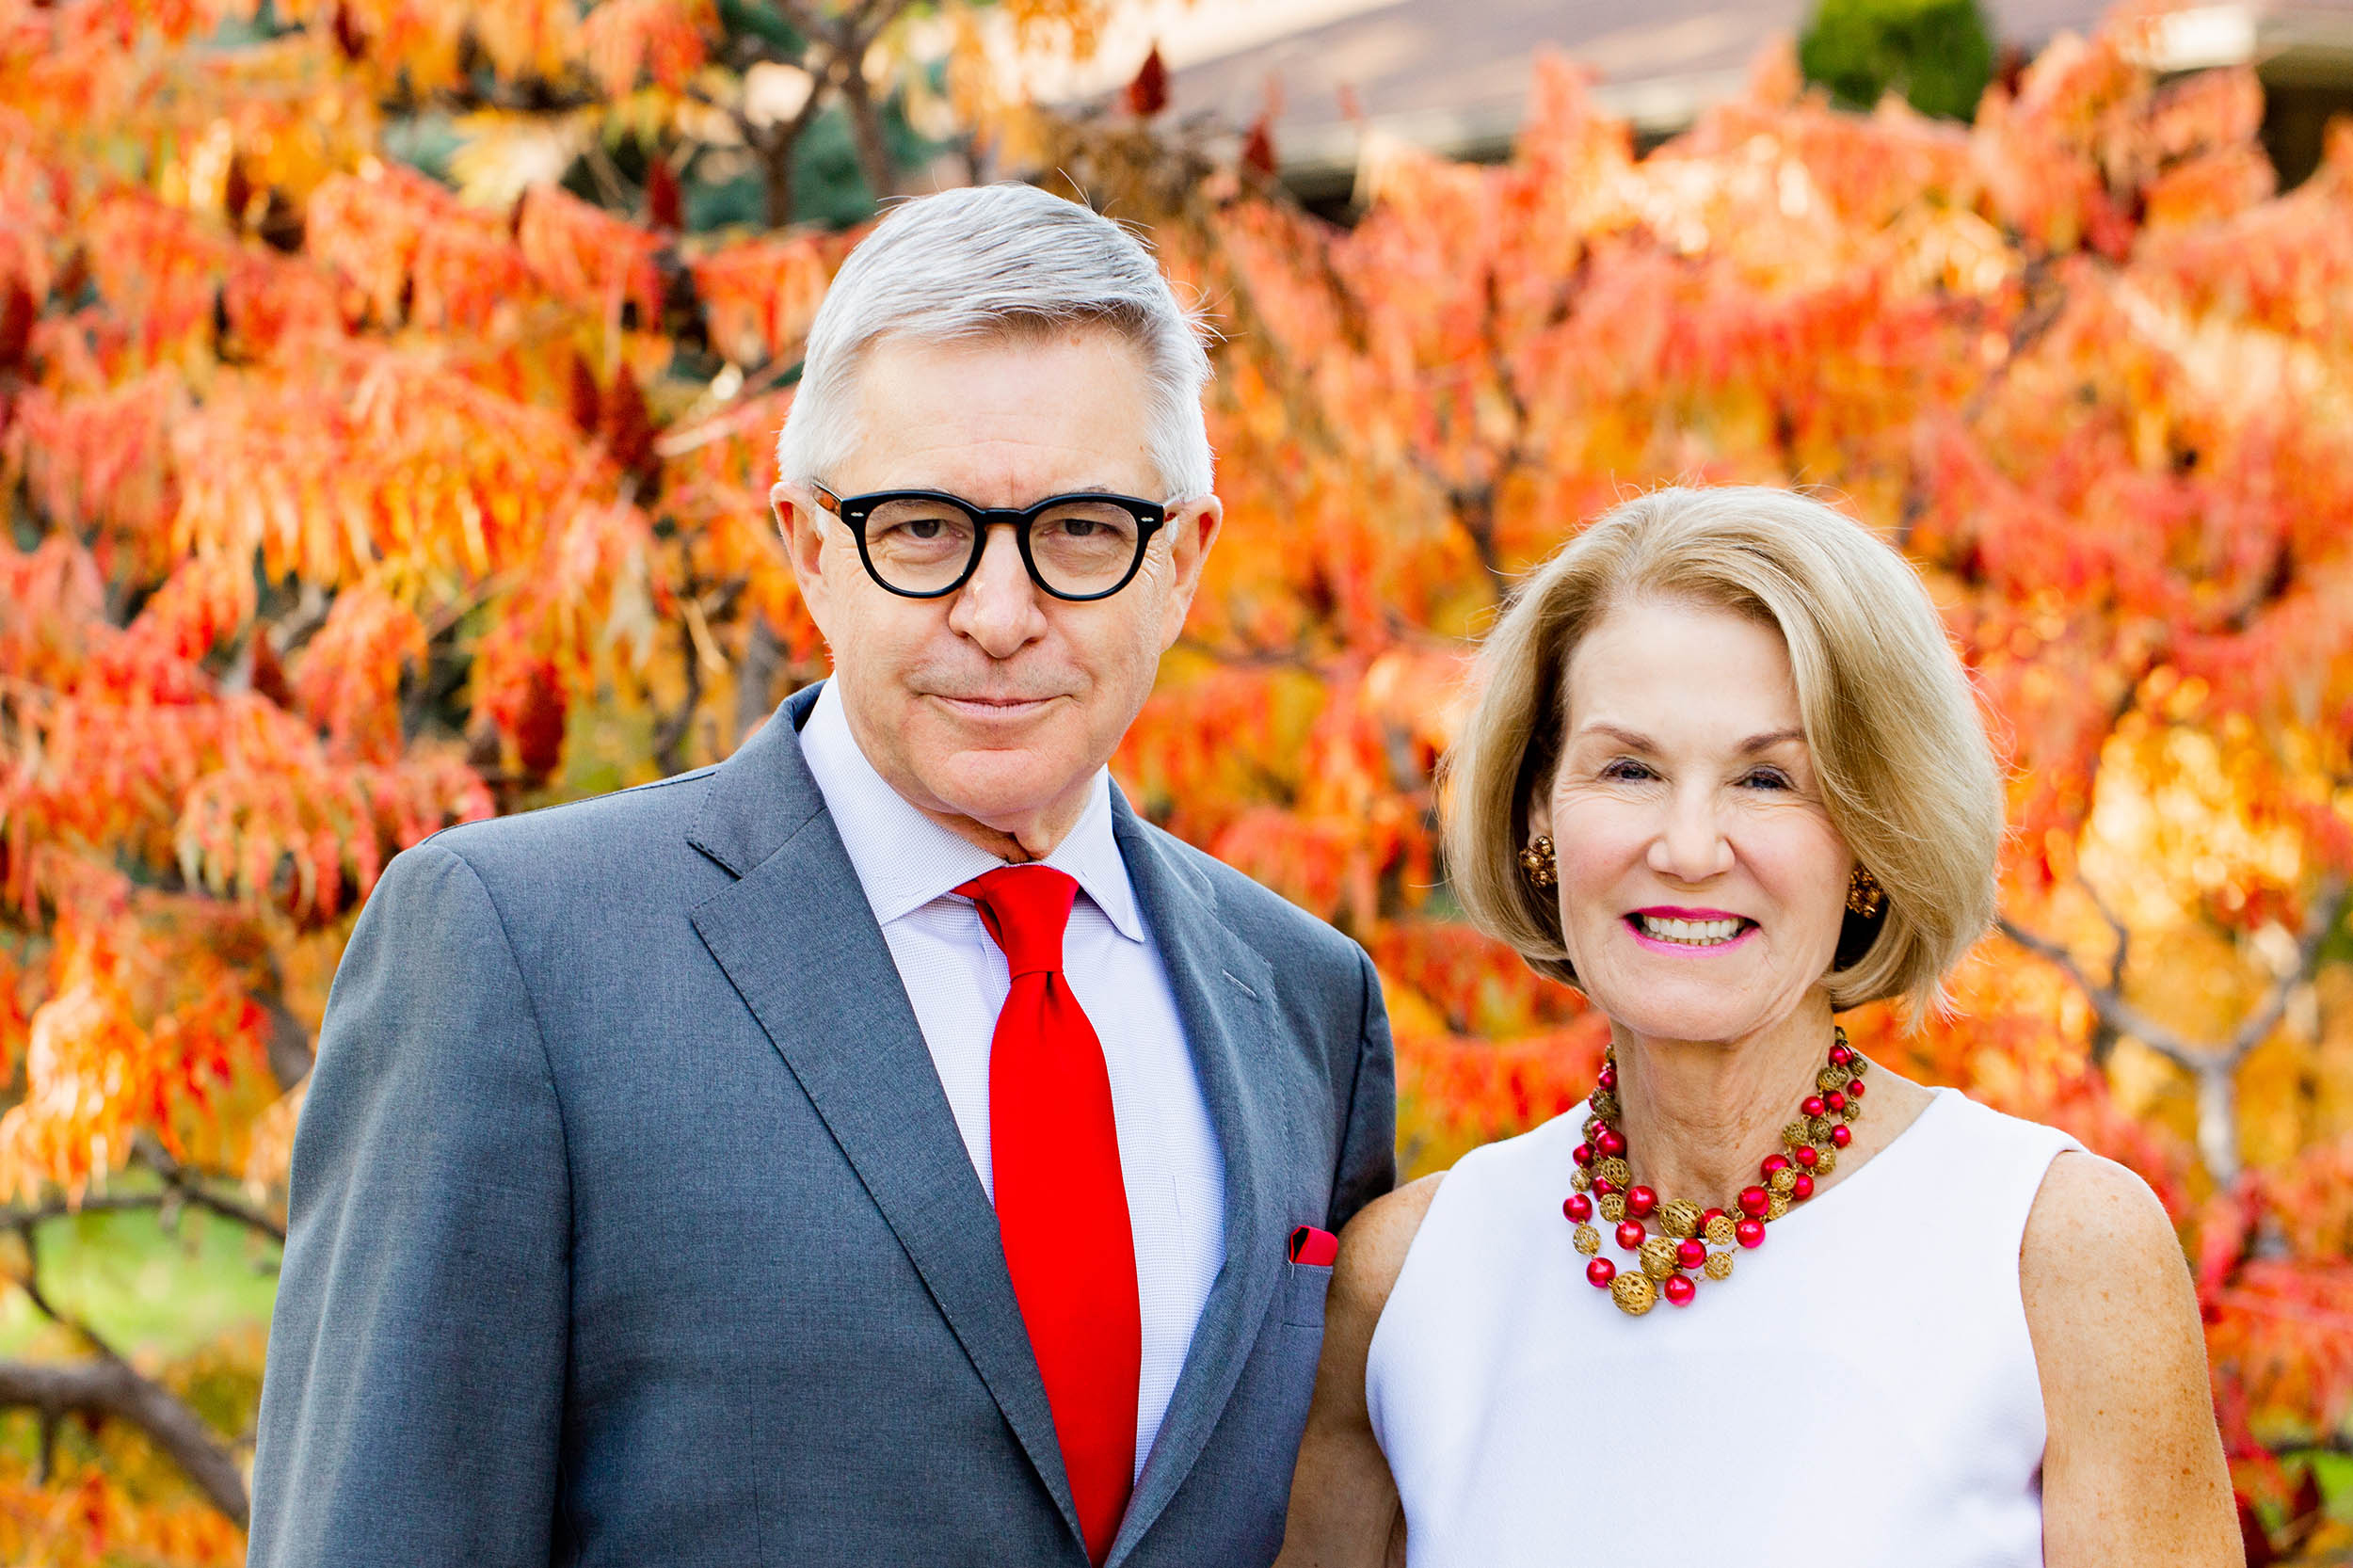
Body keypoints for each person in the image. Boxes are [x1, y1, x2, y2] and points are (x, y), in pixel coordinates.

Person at [248, 183, 1396, 1568]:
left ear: (1183, 560)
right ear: (807, 543)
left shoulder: (1306, 1000)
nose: (998, 614)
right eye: (922, 528)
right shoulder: (519, 953)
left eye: (1082, 530)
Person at [1274, 487, 2239, 1567]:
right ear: (1539, 808)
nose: (1689, 847)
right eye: (1628, 768)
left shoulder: (2055, 1250)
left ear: (1875, 834)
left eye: (1767, 778)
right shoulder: (1402, 1281)